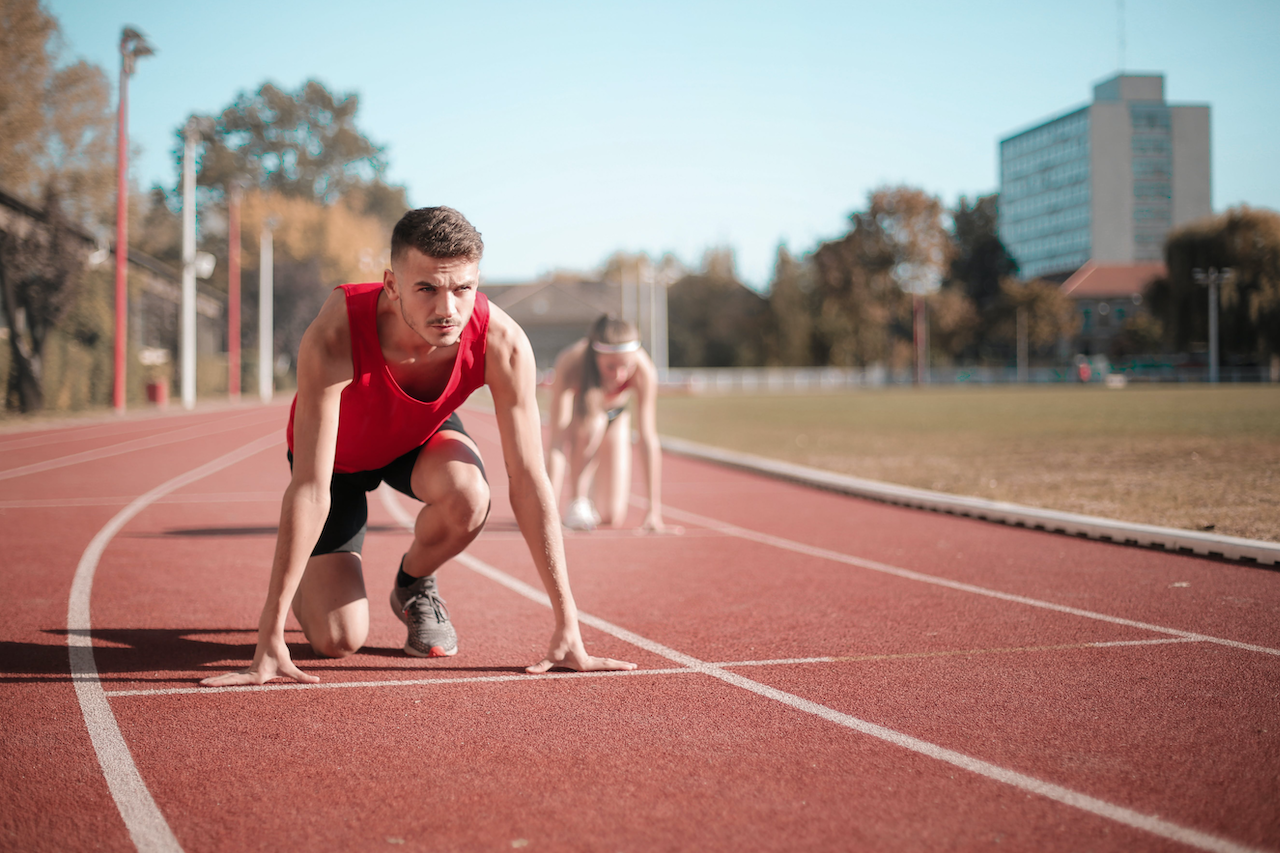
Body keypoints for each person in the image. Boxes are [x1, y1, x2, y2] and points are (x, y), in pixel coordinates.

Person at [202, 207, 634, 686]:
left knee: (471, 495)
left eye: (462, 289)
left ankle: (413, 585)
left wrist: (567, 625)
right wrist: (270, 634)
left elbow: (530, 481)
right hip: (337, 463)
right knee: (338, 641)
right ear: (392, 284)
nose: (447, 309)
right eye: (426, 288)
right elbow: (309, 486)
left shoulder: (502, 342)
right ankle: (307, 572)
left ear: (477, 282)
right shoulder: (336, 333)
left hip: (416, 439)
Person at [545, 314, 666, 532]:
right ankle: (577, 500)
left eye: (626, 367)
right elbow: (557, 441)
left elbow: (648, 438)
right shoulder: (571, 362)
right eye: (611, 367)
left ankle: (592, 496)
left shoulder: (643, 369)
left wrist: (653, 511)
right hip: (582, 417)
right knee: (594, 424)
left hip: (617, 416)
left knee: (610, 515)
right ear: (595, 357)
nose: (620, 376)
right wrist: (548, 511)